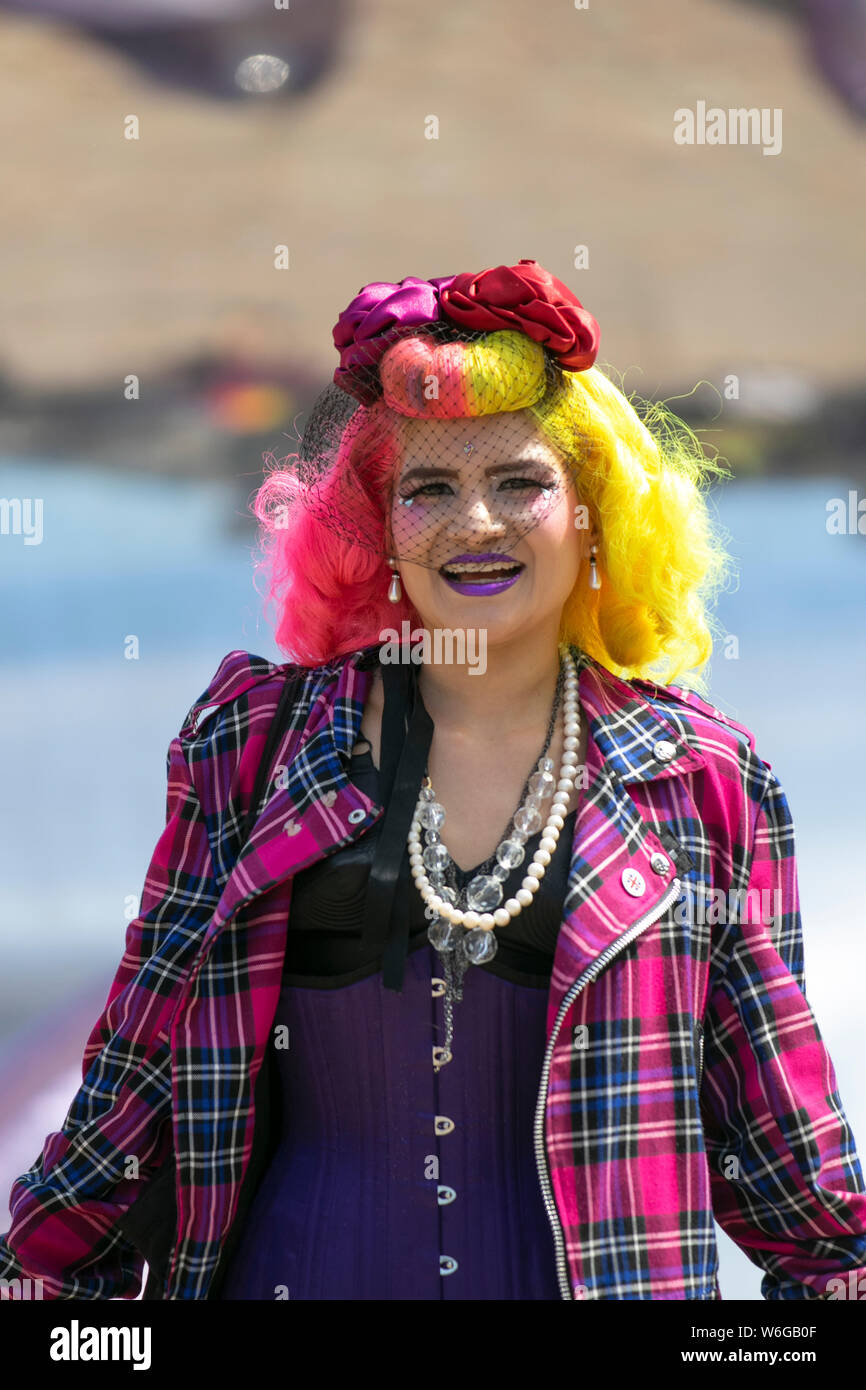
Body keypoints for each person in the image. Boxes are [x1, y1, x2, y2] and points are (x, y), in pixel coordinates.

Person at [1, 259, 864, 1301]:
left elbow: (788, 1158)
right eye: (430, 488)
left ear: (597, 513)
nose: (476, 522)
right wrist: (50, 1293)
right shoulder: (254, 743)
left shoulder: (704, 780)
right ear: (376, 526)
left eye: (519, 481)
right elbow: (133, 1075)